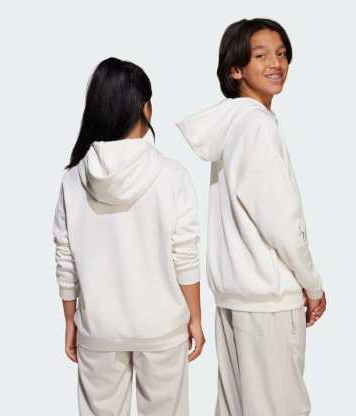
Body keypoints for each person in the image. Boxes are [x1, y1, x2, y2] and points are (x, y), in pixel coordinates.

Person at [177, 18, 327, 415]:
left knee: (236, 407)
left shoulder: (231, 126)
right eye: (261, 56)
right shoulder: (256, 125)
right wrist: (312, 284)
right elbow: (281, 222)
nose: (276, 64)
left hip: (235, 297)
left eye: (282, 54)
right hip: (268, 301)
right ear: (235, 69)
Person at [53, 57, 205, 416]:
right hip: (162, 327)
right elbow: (184, 254)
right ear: (145, 107)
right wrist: (195, 318)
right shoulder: (173, 175)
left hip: (99, 329)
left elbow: (65, 260)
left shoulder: (73, 180)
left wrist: (70, 321)